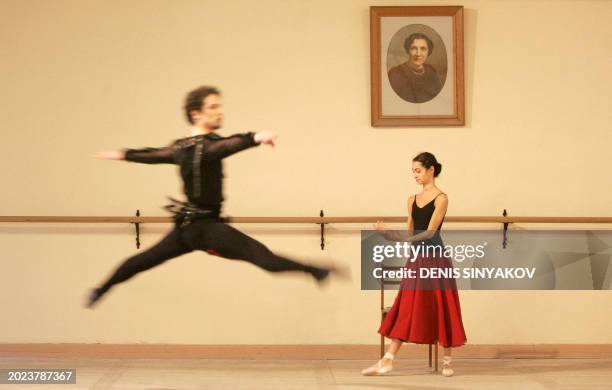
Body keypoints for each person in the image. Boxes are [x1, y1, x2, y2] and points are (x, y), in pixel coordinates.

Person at [86, 86, 341, 308]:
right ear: (196, 113)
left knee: (138, 262)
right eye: (213, 107)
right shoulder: (204, 147)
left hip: (186, 229)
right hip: (204, 229)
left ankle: (99, 290)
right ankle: (315, 271)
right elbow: (225, 145)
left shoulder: (182, 147)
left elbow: (155, 154)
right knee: (264, 258)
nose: (219, 111)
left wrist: (124, 154)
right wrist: (254, 137)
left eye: (219, 106)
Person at [362, 152, 466, 377]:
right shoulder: (411, 200)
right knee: (407, 305)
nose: (415, 175)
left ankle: (447, 360)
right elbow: (410, 232)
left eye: (418, 171)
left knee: (442, 304)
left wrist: (400, 238)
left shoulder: (441, 198)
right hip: (417, 259)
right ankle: (388, 359)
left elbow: (429, 233)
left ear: (431, 170)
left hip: (436, 258)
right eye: (413, 172)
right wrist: (387, 234)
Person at [388, 32, 443, 103]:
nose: (418, 54)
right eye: (414, 48)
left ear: (428, 51)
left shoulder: (431, 71)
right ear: (408, 50)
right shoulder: (395, 74)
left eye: (423, 49)